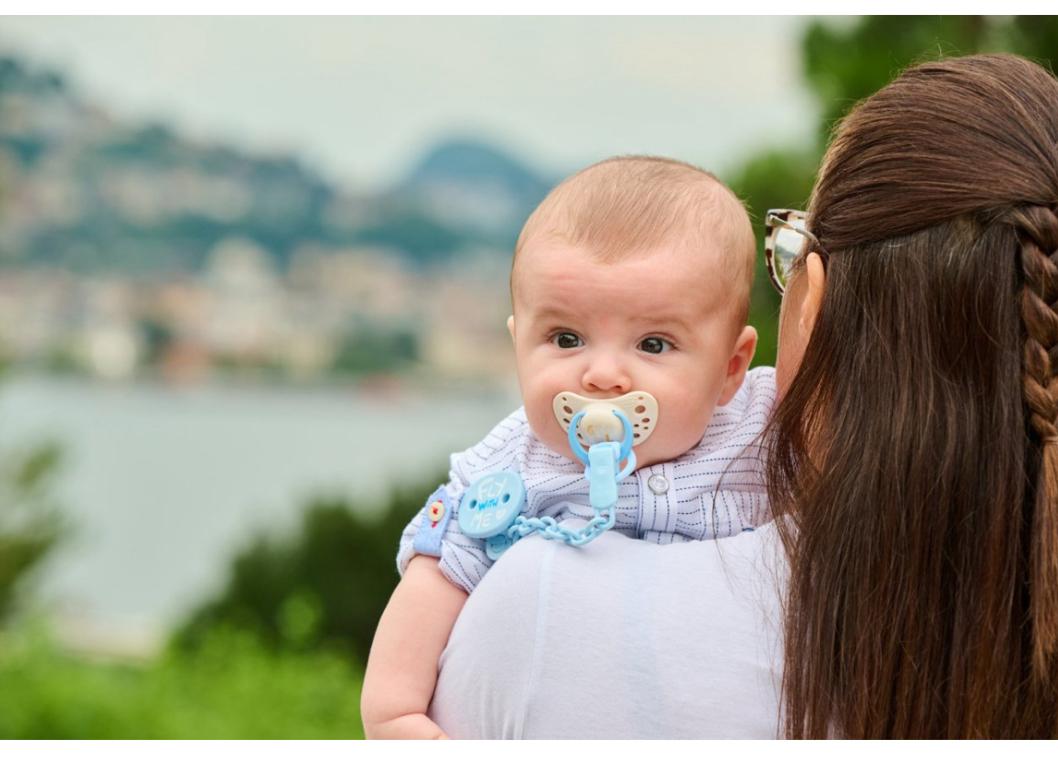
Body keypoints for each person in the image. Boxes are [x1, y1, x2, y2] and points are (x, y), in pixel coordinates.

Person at [426, 53, 1058, 739]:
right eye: (569, 338)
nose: (605, 375)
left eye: (788, 251)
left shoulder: (541, 607)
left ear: (813, 303)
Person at [360, 156, 776, 739]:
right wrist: (394, 710)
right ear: (518, 346)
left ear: (731, 368)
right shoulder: (515, 464)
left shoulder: (763, 423)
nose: (602, 375)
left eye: (653, 344)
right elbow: (437, 573)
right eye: (566, 338)